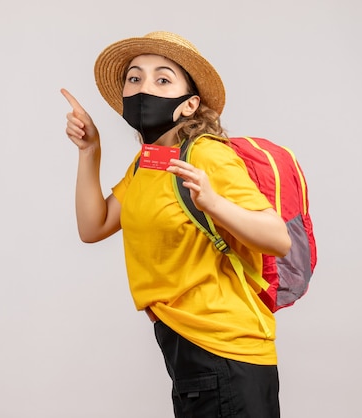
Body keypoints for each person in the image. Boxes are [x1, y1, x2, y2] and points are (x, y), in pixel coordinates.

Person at [61, 31, 291, 418]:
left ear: (190, 105)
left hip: (226, 350)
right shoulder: (147, 164)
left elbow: (277, 239)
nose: (143, 88)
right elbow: (93, 226)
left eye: (162, 79)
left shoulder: (206, 155)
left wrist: (214, 203)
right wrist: (90, 151)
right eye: (134, 78)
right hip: (186, 347)